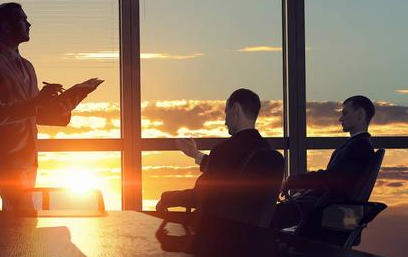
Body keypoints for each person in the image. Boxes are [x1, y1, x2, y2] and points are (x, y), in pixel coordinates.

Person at [0, 2, 103, 212]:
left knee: (19, 220)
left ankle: (5, 246)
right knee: (22, 215)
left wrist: (77, 92)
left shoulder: (28, 66)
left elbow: (38, 113)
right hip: (6, 155)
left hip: (28, 155)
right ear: (5, 26)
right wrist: (37, 101)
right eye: (23, 19)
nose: (29, 24)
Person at [155, 88, 272, 224]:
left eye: (226, 112)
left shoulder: (224, 150)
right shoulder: (266, 151)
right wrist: (196, 154)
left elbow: (199, 197)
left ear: (235, 109)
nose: (225, 121)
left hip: (216, 235)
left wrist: (166, 198)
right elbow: (230, 172)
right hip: (252, 236)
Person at [269, 95, 376, 230]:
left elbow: (332, 179)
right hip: (328, 210)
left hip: (324, 212)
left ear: (360, 115)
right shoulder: (361, 146)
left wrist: (294, 181)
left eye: (345, 113)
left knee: (267, 217)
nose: (340, 118)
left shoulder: (358, 147)